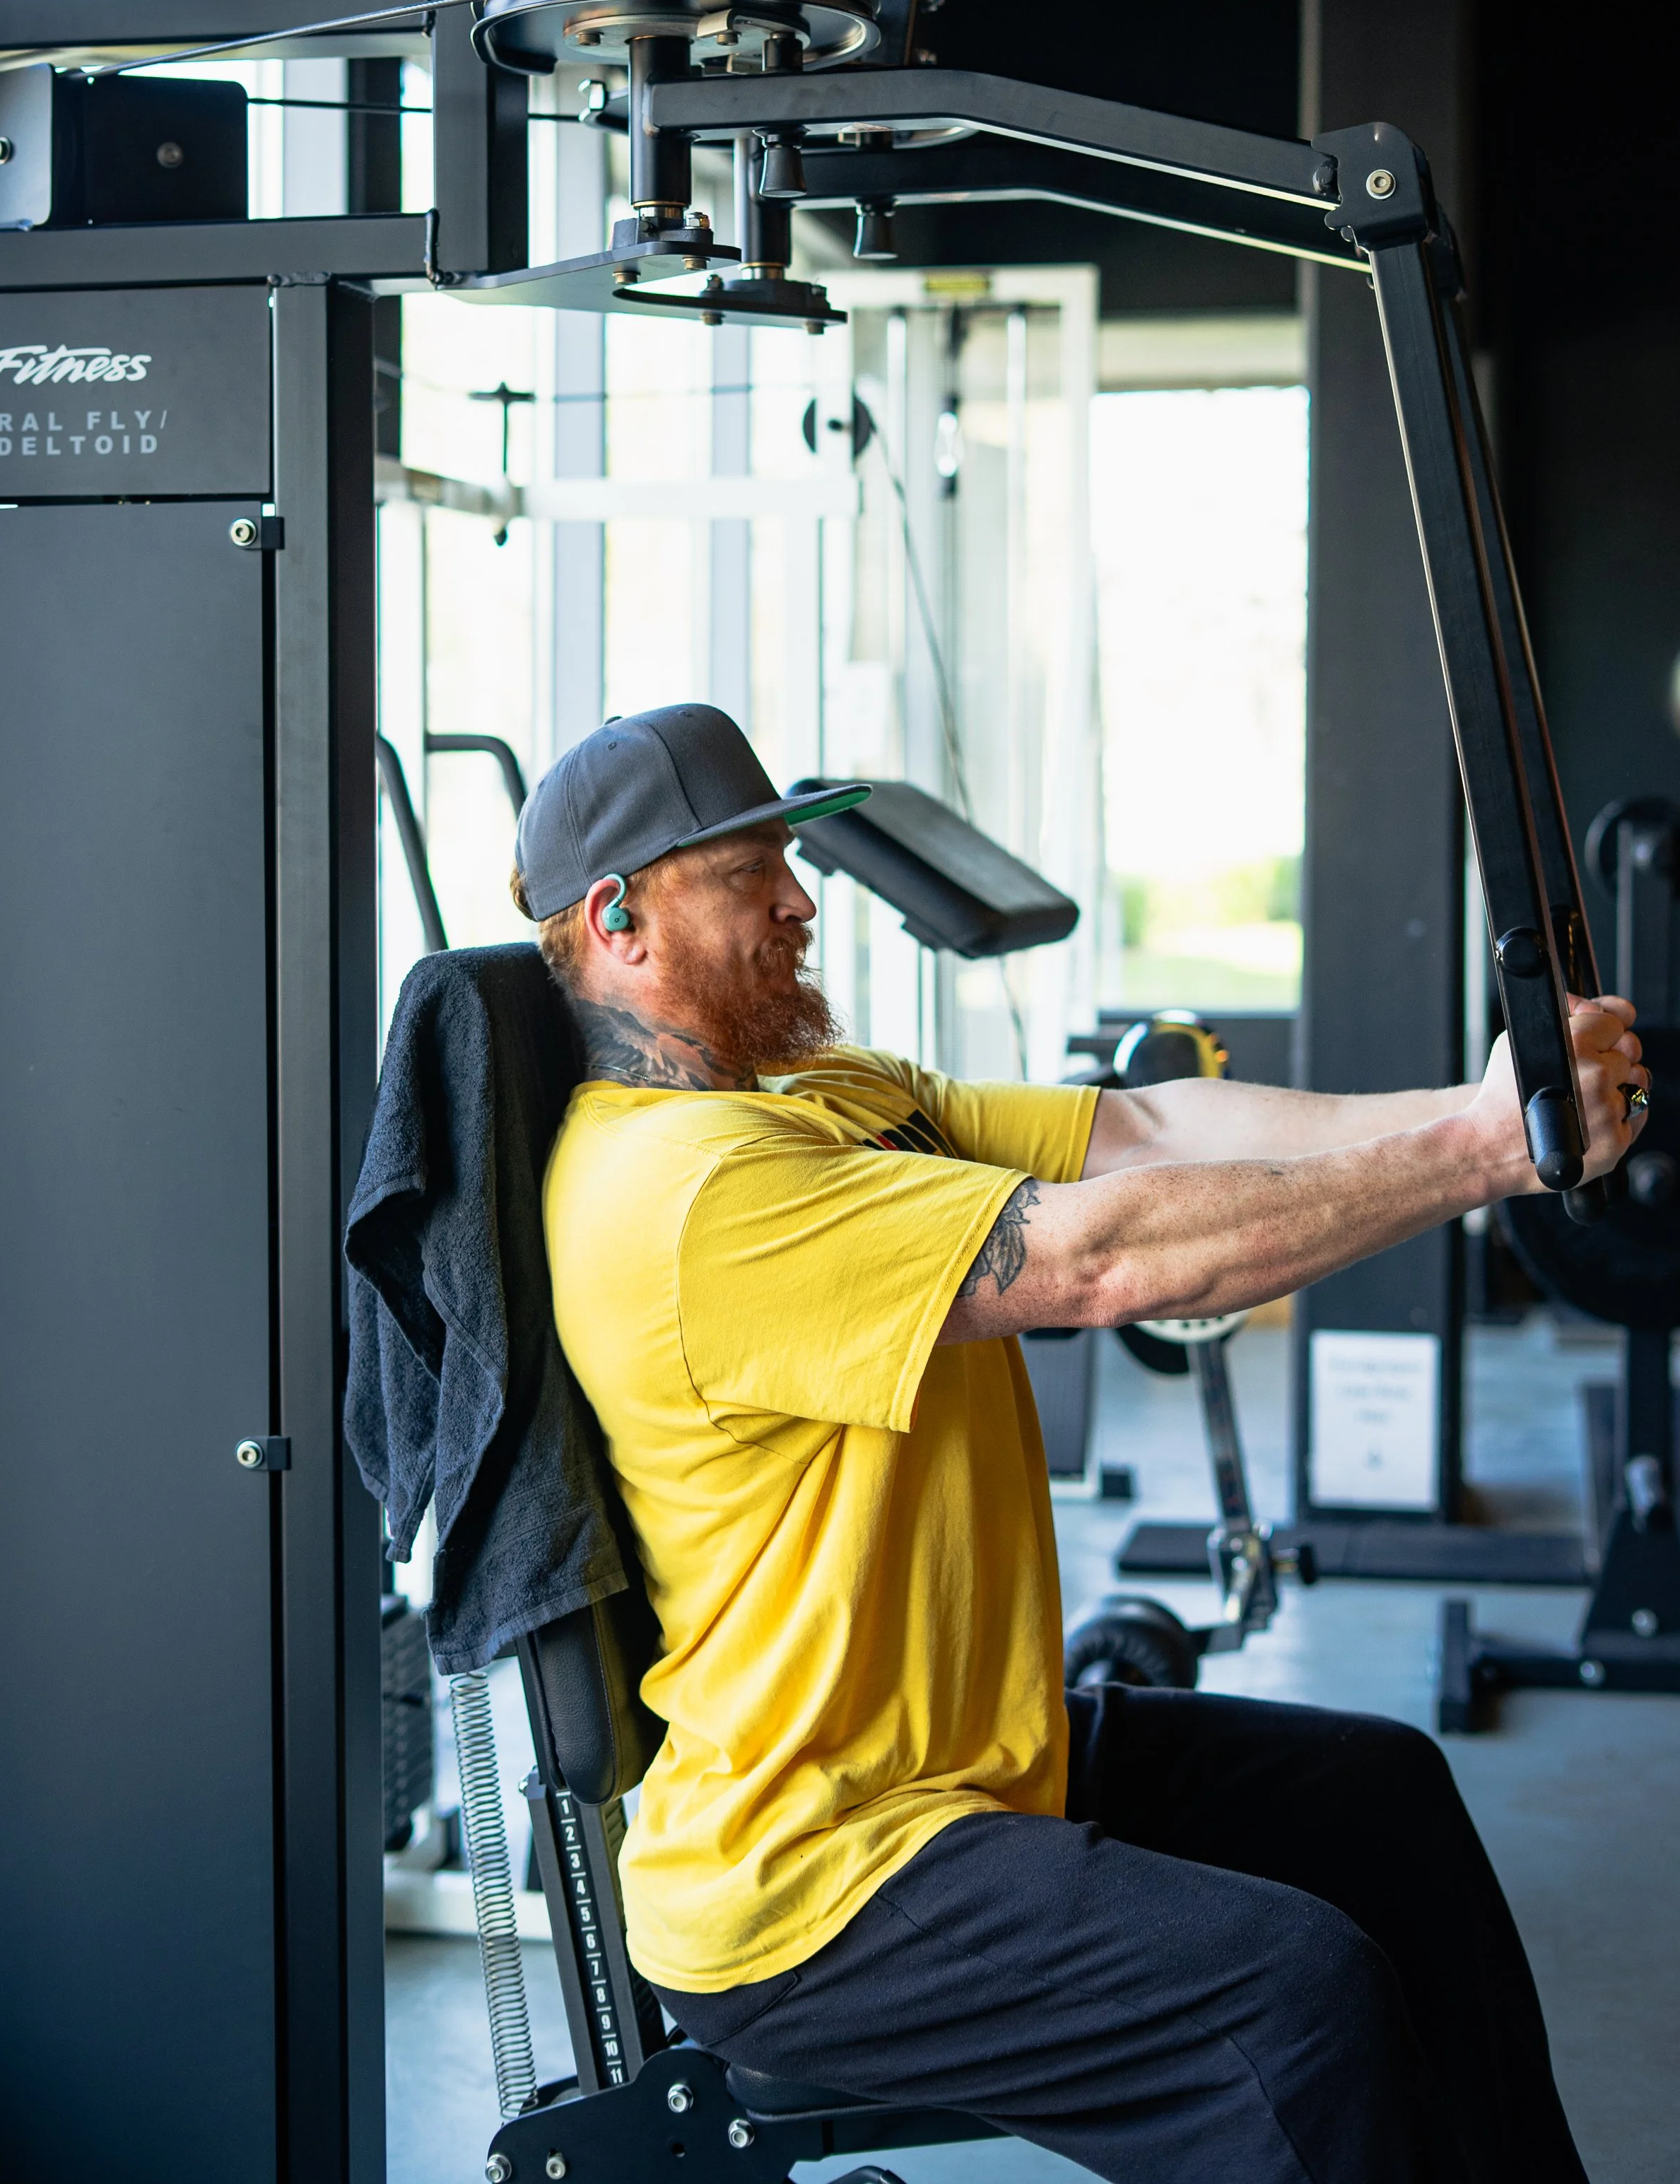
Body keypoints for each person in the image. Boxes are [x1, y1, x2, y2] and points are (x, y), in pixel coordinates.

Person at [511, 702, 1643, 2184]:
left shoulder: (813, 1099)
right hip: (817, 1877)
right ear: (620, 921)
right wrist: (1481, 1158)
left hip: (961, 1772)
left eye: (791, 861)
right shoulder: (682, 1191)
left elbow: (1147, 1139)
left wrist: (1486, 1108)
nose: (800, 899)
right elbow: (1105, 1260)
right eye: (748, 875)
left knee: (1381, 1806)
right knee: (1291, 2005)